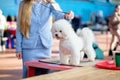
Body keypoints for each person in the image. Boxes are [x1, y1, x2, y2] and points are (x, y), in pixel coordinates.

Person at [16, 0, 74, 78]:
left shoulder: (49, 3)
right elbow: (19, 27)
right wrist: (18, 48)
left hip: (45, 47)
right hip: (28, 48)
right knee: (28, 75)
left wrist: (67, 16)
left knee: (45, 76)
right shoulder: (23, 4)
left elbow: (59, 14)